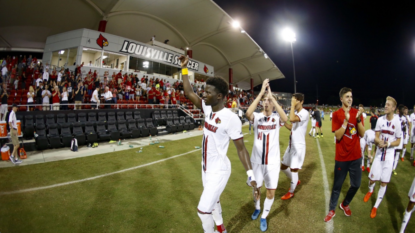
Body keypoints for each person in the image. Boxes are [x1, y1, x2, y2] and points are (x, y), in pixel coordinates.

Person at [179, 55, 259, 233]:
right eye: (205, 91)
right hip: (206, 167)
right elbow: (188, 92)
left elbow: (241, 148)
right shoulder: (207, 107)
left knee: (202, 210)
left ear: (220, 96)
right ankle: (221, 228)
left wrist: (251, 175)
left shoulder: (231, 119)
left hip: (219, 170)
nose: (204, 95)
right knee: (213, 201)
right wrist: (184, 69)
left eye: (208, 92)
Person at [245, 79, 287, 232]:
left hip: (272, 162)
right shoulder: (256, 117)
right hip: (256, 160)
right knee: (256, 189)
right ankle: (257, 208)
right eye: (265, 101)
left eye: (268, 101)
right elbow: (247, 113)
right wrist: (261, 93)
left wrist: (272, 97)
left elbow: (286, 119)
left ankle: (264, 216)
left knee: (271, 191)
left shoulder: (276, 119)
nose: (267, 103)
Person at [324, 87, 365, 222]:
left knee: (356, 184)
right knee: (337, 185)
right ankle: (332, 209)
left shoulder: (357, 113)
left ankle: (345, 203)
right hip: (341, 157)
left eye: (351, 97)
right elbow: (338, 136)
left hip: (356, 156)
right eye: (347, 96)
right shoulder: (336, 114)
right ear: (341, 99)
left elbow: (362, 134)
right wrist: (346, 121)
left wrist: (358, 120)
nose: (350, 99)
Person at [363, 96, 402, 218]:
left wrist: (389, 144)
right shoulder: (380, 120)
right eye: (385, 104)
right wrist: (378, 141)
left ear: (394, 108)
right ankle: (370, 190)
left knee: (384, 183)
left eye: (388, 105)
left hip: (389, 157)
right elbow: (376, 136)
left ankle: (375, 206)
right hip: (379, 155)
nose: (386, 106)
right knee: (372, 180)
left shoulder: (397, 122)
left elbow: (399, 141)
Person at [280, 93, 309, 200]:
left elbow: (292, 119)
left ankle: (291, 192)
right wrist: (283, 123)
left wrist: (291, 106)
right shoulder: (297, 113)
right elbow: (292, 126)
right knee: (283, 167)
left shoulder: (304, 113)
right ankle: (295, 180)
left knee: (293, 169)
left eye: (295, 100)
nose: (293, 102)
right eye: (292, 100)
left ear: (301, 102)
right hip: (291, 145)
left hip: (298, 146)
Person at [392, 105, 407, 175]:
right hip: (395, 137)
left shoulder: (404, 118)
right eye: (402, 110)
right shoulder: (395, 117)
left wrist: (404, 129)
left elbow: (404, 128)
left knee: (398, 153)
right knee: (393, 152)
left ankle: (394, 168)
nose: (403, 111)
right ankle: (390, 166)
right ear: (399, 110)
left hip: (400, 138)